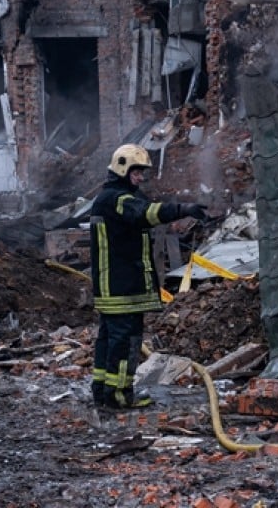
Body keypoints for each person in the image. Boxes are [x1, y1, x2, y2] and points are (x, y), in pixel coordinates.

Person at [88, 144, 208, 410]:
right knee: (125, 342)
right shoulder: (118, 200)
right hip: (122, 288)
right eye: (137, 172)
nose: (140, 178)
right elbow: (146, 213)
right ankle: (119, 396)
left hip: (113, 287)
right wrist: (183, 209)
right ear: (122, 169)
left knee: (107, 341)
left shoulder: (108, 198)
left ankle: (103, 391)